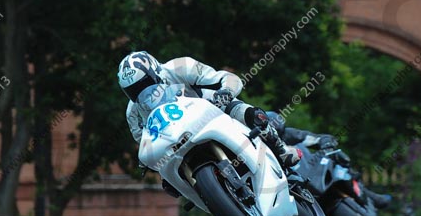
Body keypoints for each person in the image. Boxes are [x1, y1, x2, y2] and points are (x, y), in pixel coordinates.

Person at [118, 51, 302, 168]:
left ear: (155, 71)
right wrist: (146, 162)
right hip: (177, 140)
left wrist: (226, 92)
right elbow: (142, 140)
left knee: (251, 114)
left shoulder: (180, 66)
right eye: (133, 91)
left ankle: (281, 149)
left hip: (209, 110)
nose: (142, 93)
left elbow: (228, 78)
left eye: (145, 84)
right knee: (166, 182)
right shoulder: (133, 112)